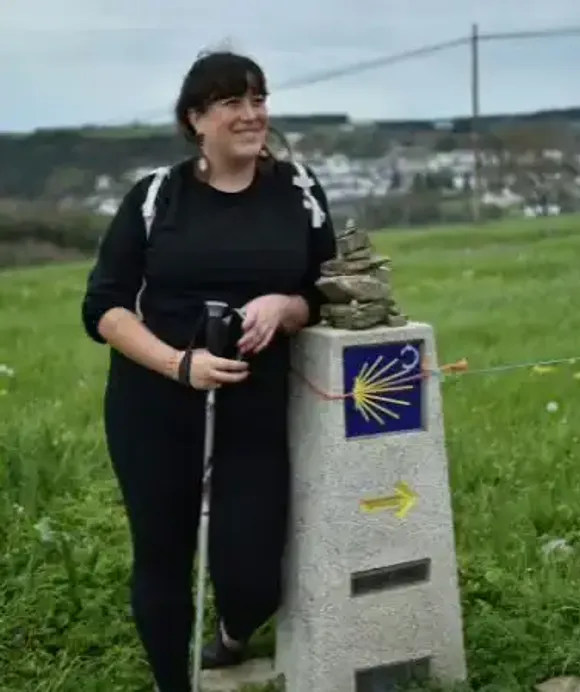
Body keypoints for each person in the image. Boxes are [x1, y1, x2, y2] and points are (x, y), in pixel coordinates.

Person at [81, 50, 337, 692]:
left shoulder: (299, 190)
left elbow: (326, 288)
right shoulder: (155, 197)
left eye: (259, 99)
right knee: (164, 557)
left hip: (252, 407)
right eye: (233, 102)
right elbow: (104, 307)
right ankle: (175, 682)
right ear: (196, 118)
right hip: (155, 404)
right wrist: (180, 364)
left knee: (254, 571)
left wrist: (288, 306)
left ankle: (233, 631)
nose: (252, 115)